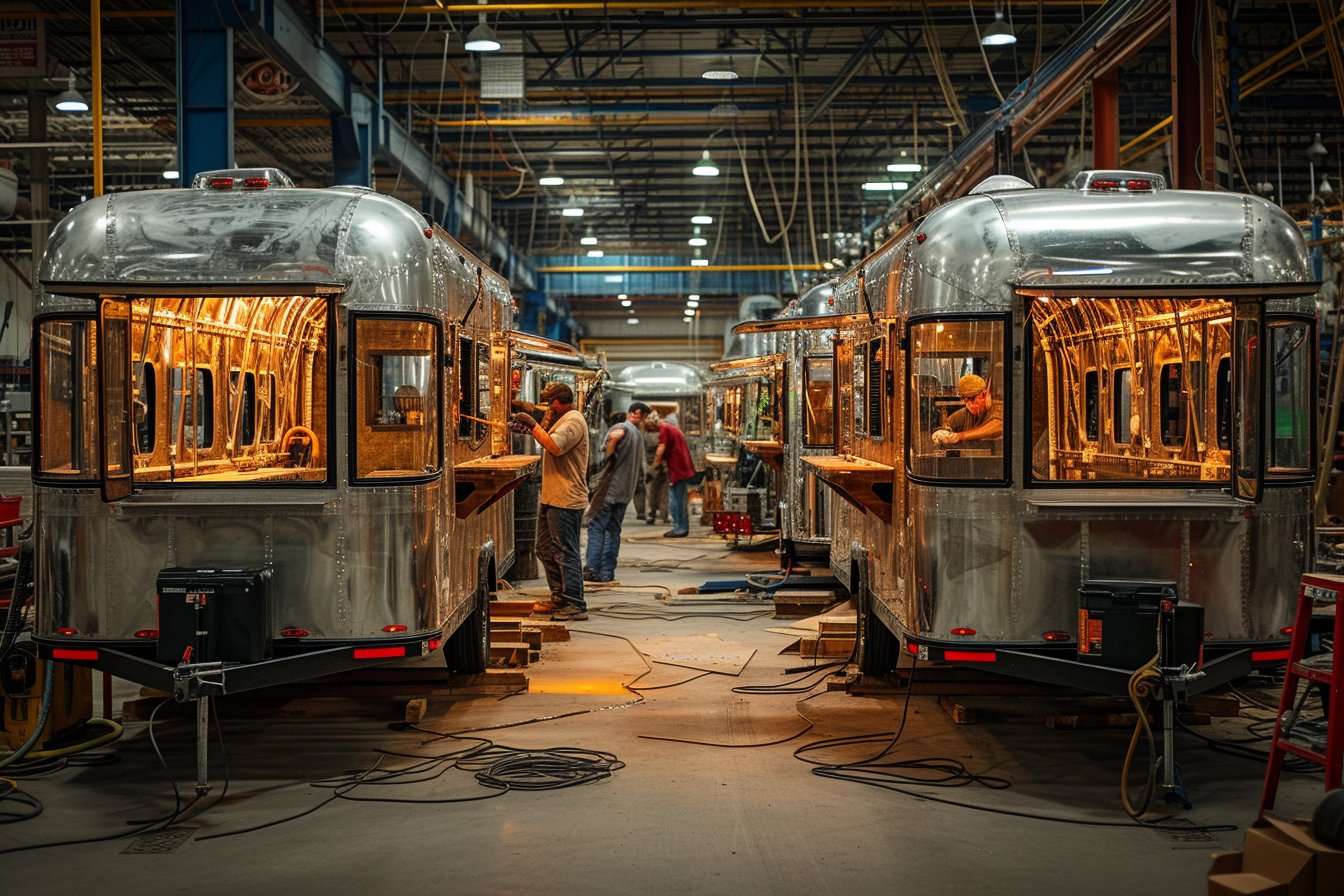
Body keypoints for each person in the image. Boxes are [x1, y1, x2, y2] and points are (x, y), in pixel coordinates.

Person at [512, 382, 590, 621]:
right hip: (552, 496)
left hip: (566, 498)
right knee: (545, 550)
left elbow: (554, 446)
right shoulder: (561, 420)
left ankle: (575, 603)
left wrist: (534, 425)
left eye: (549, 403)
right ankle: (560, 597)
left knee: (566, 552)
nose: (547, 407)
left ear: (559, 401)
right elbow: (547, 437)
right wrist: (532, 428)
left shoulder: (574, 421)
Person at [584, 402, 649, 582]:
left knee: (596, 527)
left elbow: (616, 435)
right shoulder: (638, 434)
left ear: (634, 413)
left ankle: (591, 568)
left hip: (610, 488)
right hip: (625, 492)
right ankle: (607, 572)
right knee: (613, 531)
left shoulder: (623, 427)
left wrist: (610, 454)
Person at [650, 416, 695, 537]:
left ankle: (679, 527)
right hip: (679, 467)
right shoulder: (671, 428)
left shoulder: (664, 428)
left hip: (677, 468)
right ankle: (681, 526)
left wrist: (653, 468)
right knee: (679, 498)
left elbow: (661, 449)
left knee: (676, 500)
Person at [932, 374, 1003, 447]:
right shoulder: (961, 415)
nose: (969, 404)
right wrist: (940, 434)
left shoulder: (999, 407)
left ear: (984, 394)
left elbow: (999, 426)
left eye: (971, 398)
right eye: (964, 399)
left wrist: (960, 436)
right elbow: (945, 427)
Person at [640, 411, 668, 525]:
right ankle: (652, 514)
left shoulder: (660, 432)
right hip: (652, 465)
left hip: (661, 465)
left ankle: (661, 514)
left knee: (662, 492)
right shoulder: (645, 434)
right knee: (652, 491)